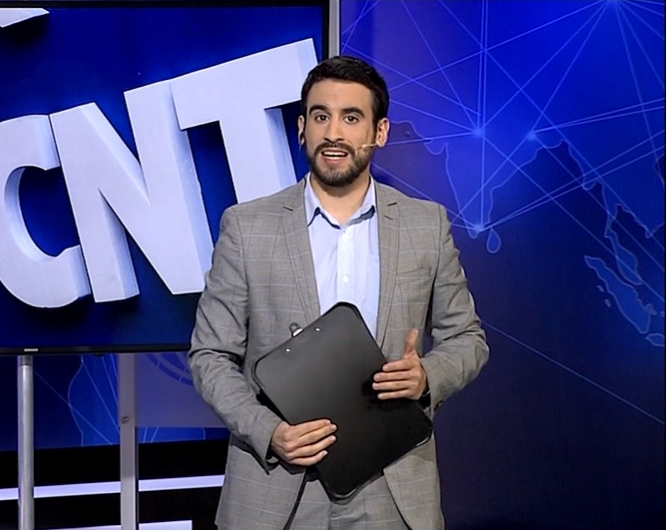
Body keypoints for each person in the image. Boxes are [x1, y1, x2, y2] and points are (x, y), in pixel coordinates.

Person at [187, 55, 489, 530]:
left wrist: (426, 376)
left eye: (351, 118)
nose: (333, 133)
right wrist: (270, 432)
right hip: (277, 487)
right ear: (301, 128)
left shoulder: (425, 225)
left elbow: (468, 339)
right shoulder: (247, 227)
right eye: (320, 116)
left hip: (391, 485)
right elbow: (210, 354)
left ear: (379, 131)